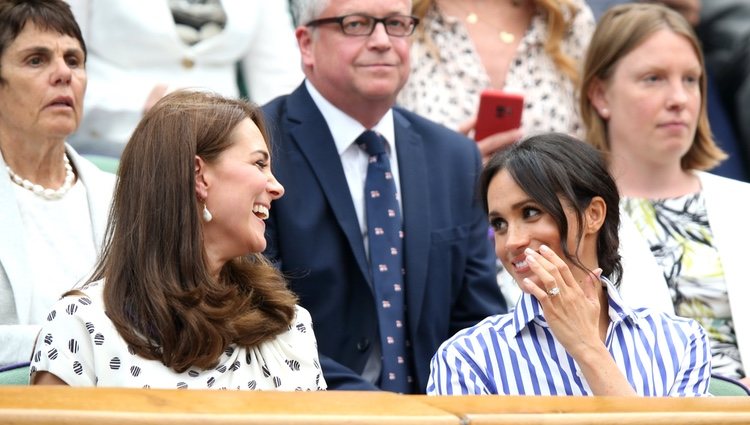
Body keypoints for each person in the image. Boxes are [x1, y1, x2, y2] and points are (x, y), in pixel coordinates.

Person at [262, 0, 506, 393]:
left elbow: (477, 322)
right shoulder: (259, 147)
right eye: (356, 24)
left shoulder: (453, 158)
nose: (381, 41)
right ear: (306, 44)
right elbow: (259, 320)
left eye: (395, 23)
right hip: (307, 408)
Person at [29, 90, 325, 390]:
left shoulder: (287, 323)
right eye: (259, 164)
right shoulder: (82, 325)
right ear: (199, 176)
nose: (277, 187)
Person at [428, 133, 711, 396]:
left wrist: (587, 348)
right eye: (499, 224)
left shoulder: (680, 341)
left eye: (530, 212)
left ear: (594, 214)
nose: (511, 241)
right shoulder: (467, 357)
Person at [581, 3, 750, 384]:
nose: (679, 98)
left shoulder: (743, 205)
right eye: (653, 78)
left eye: (691, 80)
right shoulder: (569, 216)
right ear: (600, 95)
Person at [0, 0, 115, 368]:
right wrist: (74, 338)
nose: (63, 74)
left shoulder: (120, 194)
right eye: (36, 60)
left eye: (74, 60)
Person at [65, 0, 303, 158]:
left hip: (222, 153)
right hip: (111, 150)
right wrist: (139, 103)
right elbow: (51, 66)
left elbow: (280, 82)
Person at [397, 0, 595, 160]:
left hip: (556, 205)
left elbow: (603, 143)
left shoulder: (567, 17)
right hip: (437, 205)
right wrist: (453, 168)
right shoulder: (402, 18)